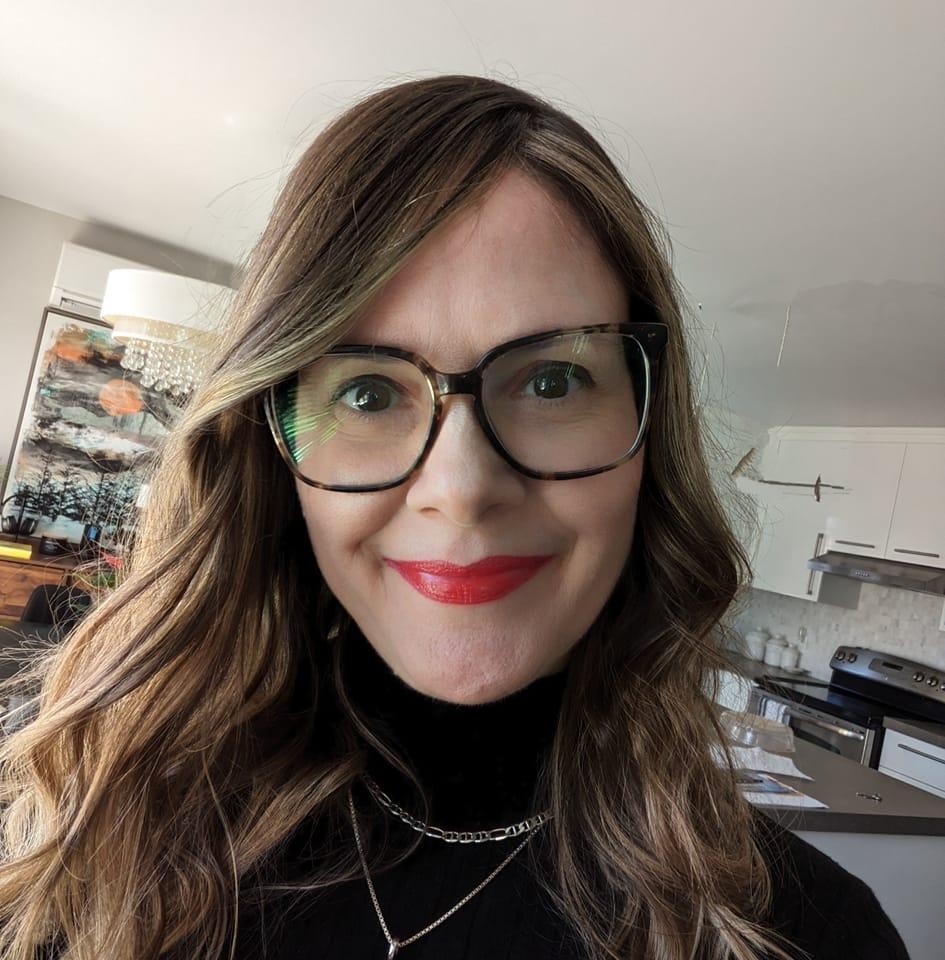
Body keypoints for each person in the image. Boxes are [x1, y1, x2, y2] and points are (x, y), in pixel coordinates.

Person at [0, 75, 908, 960]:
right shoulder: (81, 841)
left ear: (647, 430)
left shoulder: (810, 934)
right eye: (366, 392)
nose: (463, 488)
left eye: (552, 381)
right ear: (271, 452)